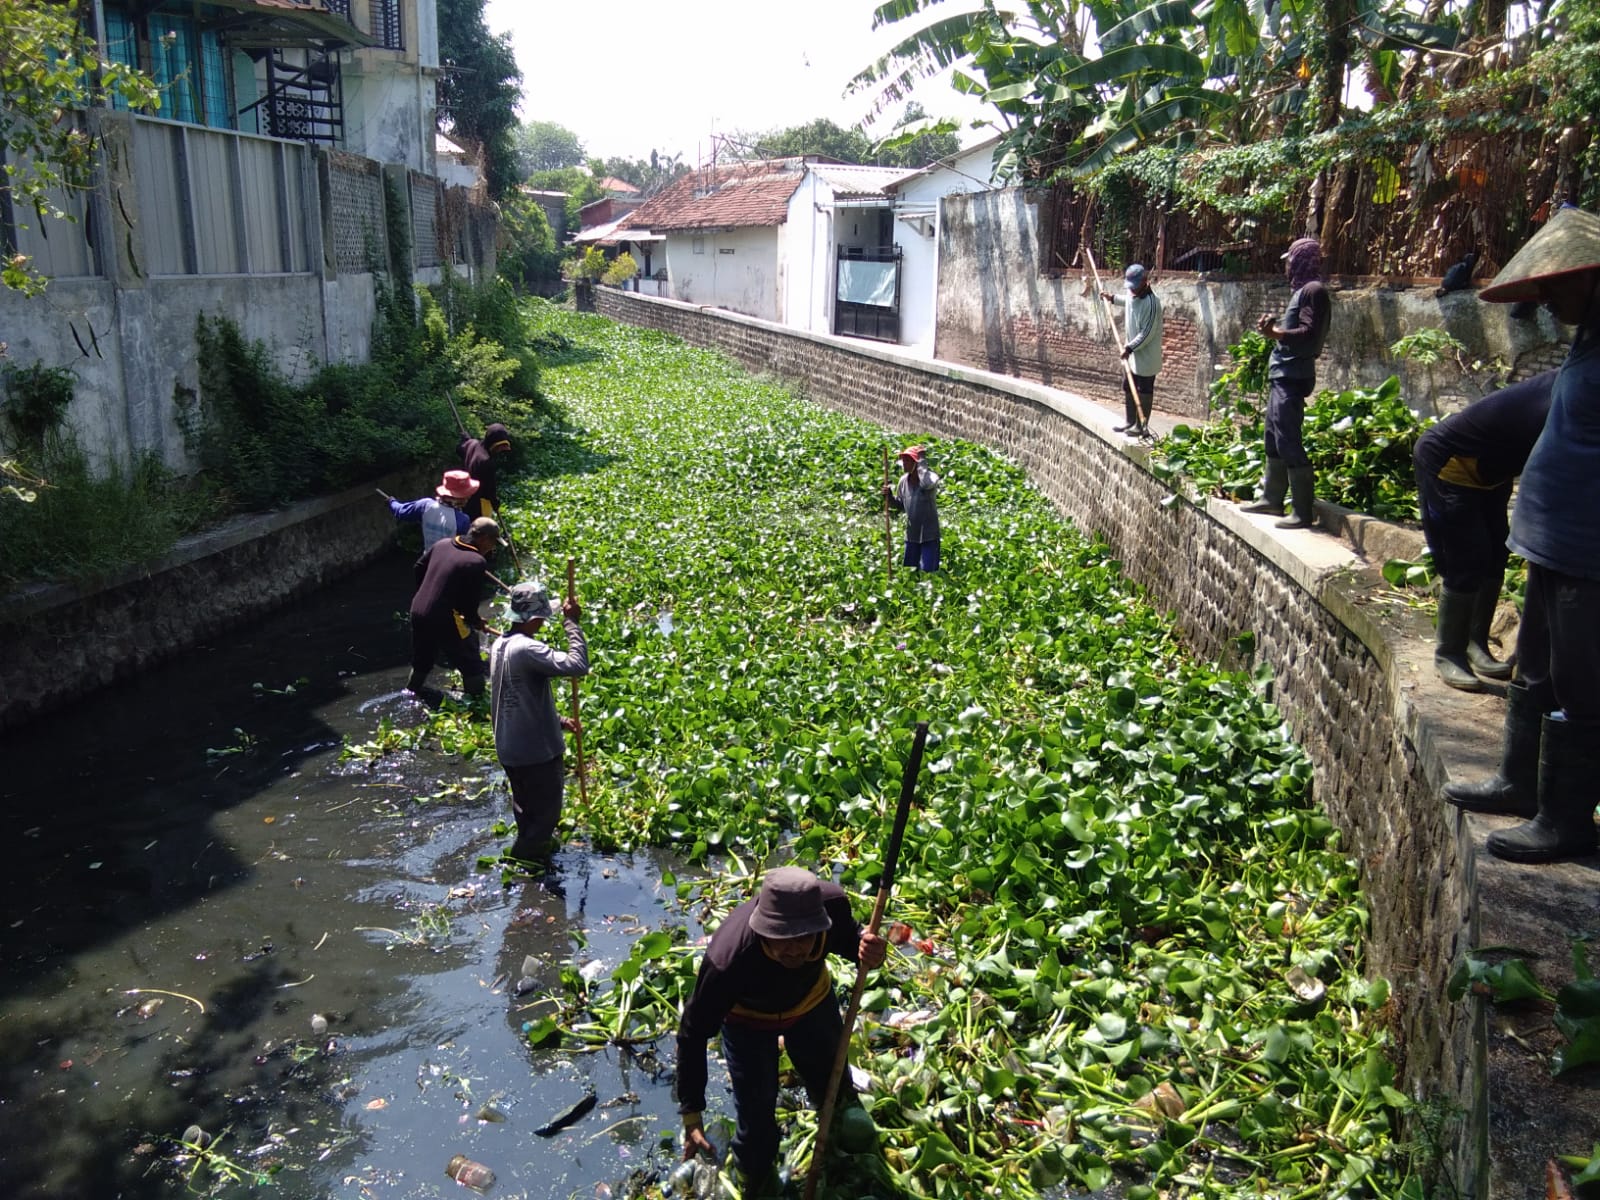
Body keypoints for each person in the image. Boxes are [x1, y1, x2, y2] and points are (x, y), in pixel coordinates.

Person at [1443, 204, 1600, 863]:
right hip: (1548, 539)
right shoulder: (1586, 341)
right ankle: (1516, 781)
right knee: (1533, 669)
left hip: (1587, 546)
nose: (1549, 294)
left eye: (1562, 283)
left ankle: (1565, 818)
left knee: (1580, 683)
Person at [675, 867, 887, 1196]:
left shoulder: (832, 905)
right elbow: (692, 1033)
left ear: (819, 925)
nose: (792, 950)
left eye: (802, 938)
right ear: (763, 930)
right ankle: (758, 1181)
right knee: (757, 1123)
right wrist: (692, 1113)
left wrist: (867, 949)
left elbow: (852, 940)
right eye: (780, 940)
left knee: (833, 1084)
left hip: (811, 1003)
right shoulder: (728, 960)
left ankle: (839, 1152)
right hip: (749, 1022)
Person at [1413, 371, 1557, 690]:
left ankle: (1474, 642)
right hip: (1451, 462)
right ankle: (1448, 652)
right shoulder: (1569, 392)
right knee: (1468, 558)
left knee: (1496, 553)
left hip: (1493, 471)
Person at [489, 581, 589, 863]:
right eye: (544, 617)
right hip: (535, 754)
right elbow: (577, 665)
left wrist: (557, 721)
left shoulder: (499, 644)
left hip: (510, 749)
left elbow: (515, 697)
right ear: (534, 619)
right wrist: (572, 623)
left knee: (526, 810)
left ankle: (531, 854)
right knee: (547, 816)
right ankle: (523, 869)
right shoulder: (527, 649)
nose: (546, 621)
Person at [1242, 237, 1333, 529]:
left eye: (1289, 259)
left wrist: (1277, 334)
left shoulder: (1314, 291)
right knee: (1272, 435)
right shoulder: (1302, 291)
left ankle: (1302, 511)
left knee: (1287, 438)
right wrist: (1274, 329)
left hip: (1293, 376)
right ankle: (1272, 499)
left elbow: (1308, 332)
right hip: (1283, 374)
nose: (1286, 265)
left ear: (1301, 260)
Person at [405, 516, 499, 699]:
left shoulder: (443, 544)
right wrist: (476, 621)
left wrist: (426, 593)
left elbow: (418, 567)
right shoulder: (475, 562)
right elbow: (469, 605)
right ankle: (479, 706)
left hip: (418, 610)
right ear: (484, 539)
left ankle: (410, 692)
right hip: (445, 617)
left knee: (422, 660)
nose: (492, 547)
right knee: (471, 663)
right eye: (493, 542)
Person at [1101, 263, 1164, 439]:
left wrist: (1129, 348)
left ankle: (1141, 426)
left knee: (1143, 390)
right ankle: (1129, 421)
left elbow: (1147, 333)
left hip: (1146, 357)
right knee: (1128, 385)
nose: (1132, 291)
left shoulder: (1152, 303)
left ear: (1144, 282)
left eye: (1135, 287)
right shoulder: (1132, 294)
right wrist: (1112, 298)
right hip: (1133, 354)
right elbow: (1127, 301)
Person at [386, 469, 478, 552]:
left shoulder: (425, 505)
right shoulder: (462, 520)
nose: (469, 497)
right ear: (460, 498)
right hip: (449, 565)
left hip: (428, 561)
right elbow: (465, 549)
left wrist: (392, 502)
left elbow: (401, 512)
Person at [884, 445, 942, 572]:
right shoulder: (903, 481)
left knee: (929, 572)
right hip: (912, 535)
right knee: (910, 572)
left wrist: (921, 460)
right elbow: (901, 505)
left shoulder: (930, 477)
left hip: (929, 535)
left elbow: (926, 484)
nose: (904, 464)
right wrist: (890, 498)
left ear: (916, 464)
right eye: (903, 461)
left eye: (908, 461)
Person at [459, 422, 513, 518]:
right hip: (478, 504)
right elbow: (489, 490)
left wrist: (466, 440)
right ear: (492, 443)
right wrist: (495, 503)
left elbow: (460, 449)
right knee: (480, 529)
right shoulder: (486, 461)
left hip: (465, 498)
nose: (500, 450)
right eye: (498, 446)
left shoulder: (473, 444)